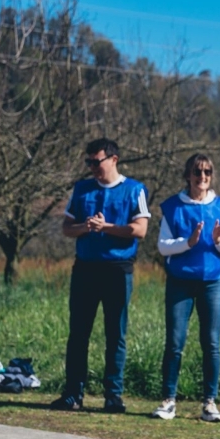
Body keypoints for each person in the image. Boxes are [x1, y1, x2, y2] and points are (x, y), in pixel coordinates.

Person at [50, 138, 150, 413]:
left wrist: (106, 227)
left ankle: (113, 395)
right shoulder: (82, 189)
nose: (93, 167)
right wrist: (86, 227)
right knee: (78, 333)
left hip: (117, 269)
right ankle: (73, 394)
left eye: (97, 162)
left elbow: (140, 230)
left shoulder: (134, 190)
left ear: (113, 159)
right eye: (89, 162)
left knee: (115, 333)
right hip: (85, 268)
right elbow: (67, 228)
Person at [151, 154, 220, 423]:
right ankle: (168, 401)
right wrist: (188, 242)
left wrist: (218, 239)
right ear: (188, 175)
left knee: (211, 344)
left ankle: (210, 403)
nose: (202, 177)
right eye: (197, 172)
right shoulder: (173, 207)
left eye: (207, 172)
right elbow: (163, 246)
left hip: (213, 283)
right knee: (174, 343)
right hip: (180, 282)